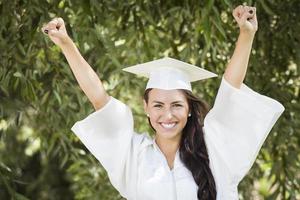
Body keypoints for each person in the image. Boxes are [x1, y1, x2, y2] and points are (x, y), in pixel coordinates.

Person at [42, 5, 284, 200]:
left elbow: (231, 90)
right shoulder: (133, 155)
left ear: (189, 109)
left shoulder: (214, 148)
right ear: (146, 108)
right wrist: (66, 43)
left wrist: (246, 34)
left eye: (177, 105)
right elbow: (98, 98)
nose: (167, 115)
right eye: (158, 105)